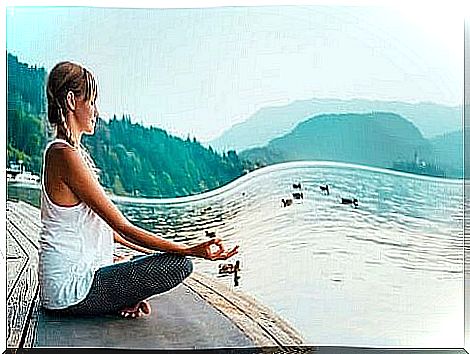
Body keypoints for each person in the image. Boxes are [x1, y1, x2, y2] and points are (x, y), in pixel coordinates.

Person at [39, 61, 238, 319]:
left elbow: (112, 234)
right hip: (70, 290)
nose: (96, 111)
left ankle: (126, 293)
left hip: (71, 285)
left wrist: (152, 258)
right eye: (91, 102)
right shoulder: (63, 155)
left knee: (158, 262)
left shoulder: (68, 153)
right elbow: (122, 226)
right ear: (71, 100)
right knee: (179, 265)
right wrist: (189, 250)